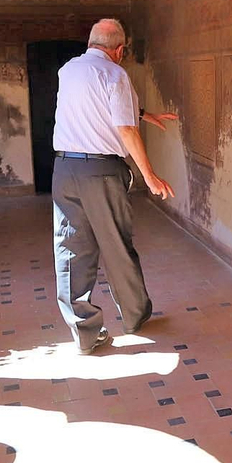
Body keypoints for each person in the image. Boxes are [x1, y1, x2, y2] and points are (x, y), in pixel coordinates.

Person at [51, 18, 177, 353]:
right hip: (102, 173)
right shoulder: (115, 74)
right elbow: (124, 128)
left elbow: (93, 106)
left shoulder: (68, 70)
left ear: (91, 43)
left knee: (71, 249)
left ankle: (84, 333)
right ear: (119, 50)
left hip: (64, 170)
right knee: (117, 245)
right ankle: (134, 317)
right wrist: (149, 175)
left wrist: (143, 113)